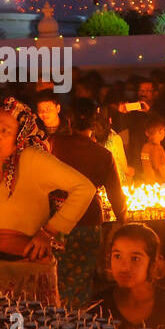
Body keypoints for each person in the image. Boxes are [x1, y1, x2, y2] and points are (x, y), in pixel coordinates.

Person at [0, 97, 95, 305]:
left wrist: (49, 231)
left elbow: (84, 188)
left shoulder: (33, 160)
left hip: (30, 276)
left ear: (20, 135)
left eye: (4, 130)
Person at [49, 99, 128, 309]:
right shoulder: (103, 156)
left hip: (55, 222)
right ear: (94, 123)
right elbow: (116, 196)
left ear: (68, 120)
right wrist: (124, 221)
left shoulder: (54, 144)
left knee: (54, 275)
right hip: (89, 223)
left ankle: (52, 323)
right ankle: (78, 325)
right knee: (82, 278)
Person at [93, 223, 165, 329]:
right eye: (117, 256)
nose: (124, 267)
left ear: (152, 264)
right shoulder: (100, 304)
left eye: (135, 258)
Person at [138, 115, 165, 184]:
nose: (164, 132)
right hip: (159, 187)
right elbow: (164, 175)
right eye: (164, 130)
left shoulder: (145, 147)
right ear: (160, 132)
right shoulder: (157, 149)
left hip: (148, 186)